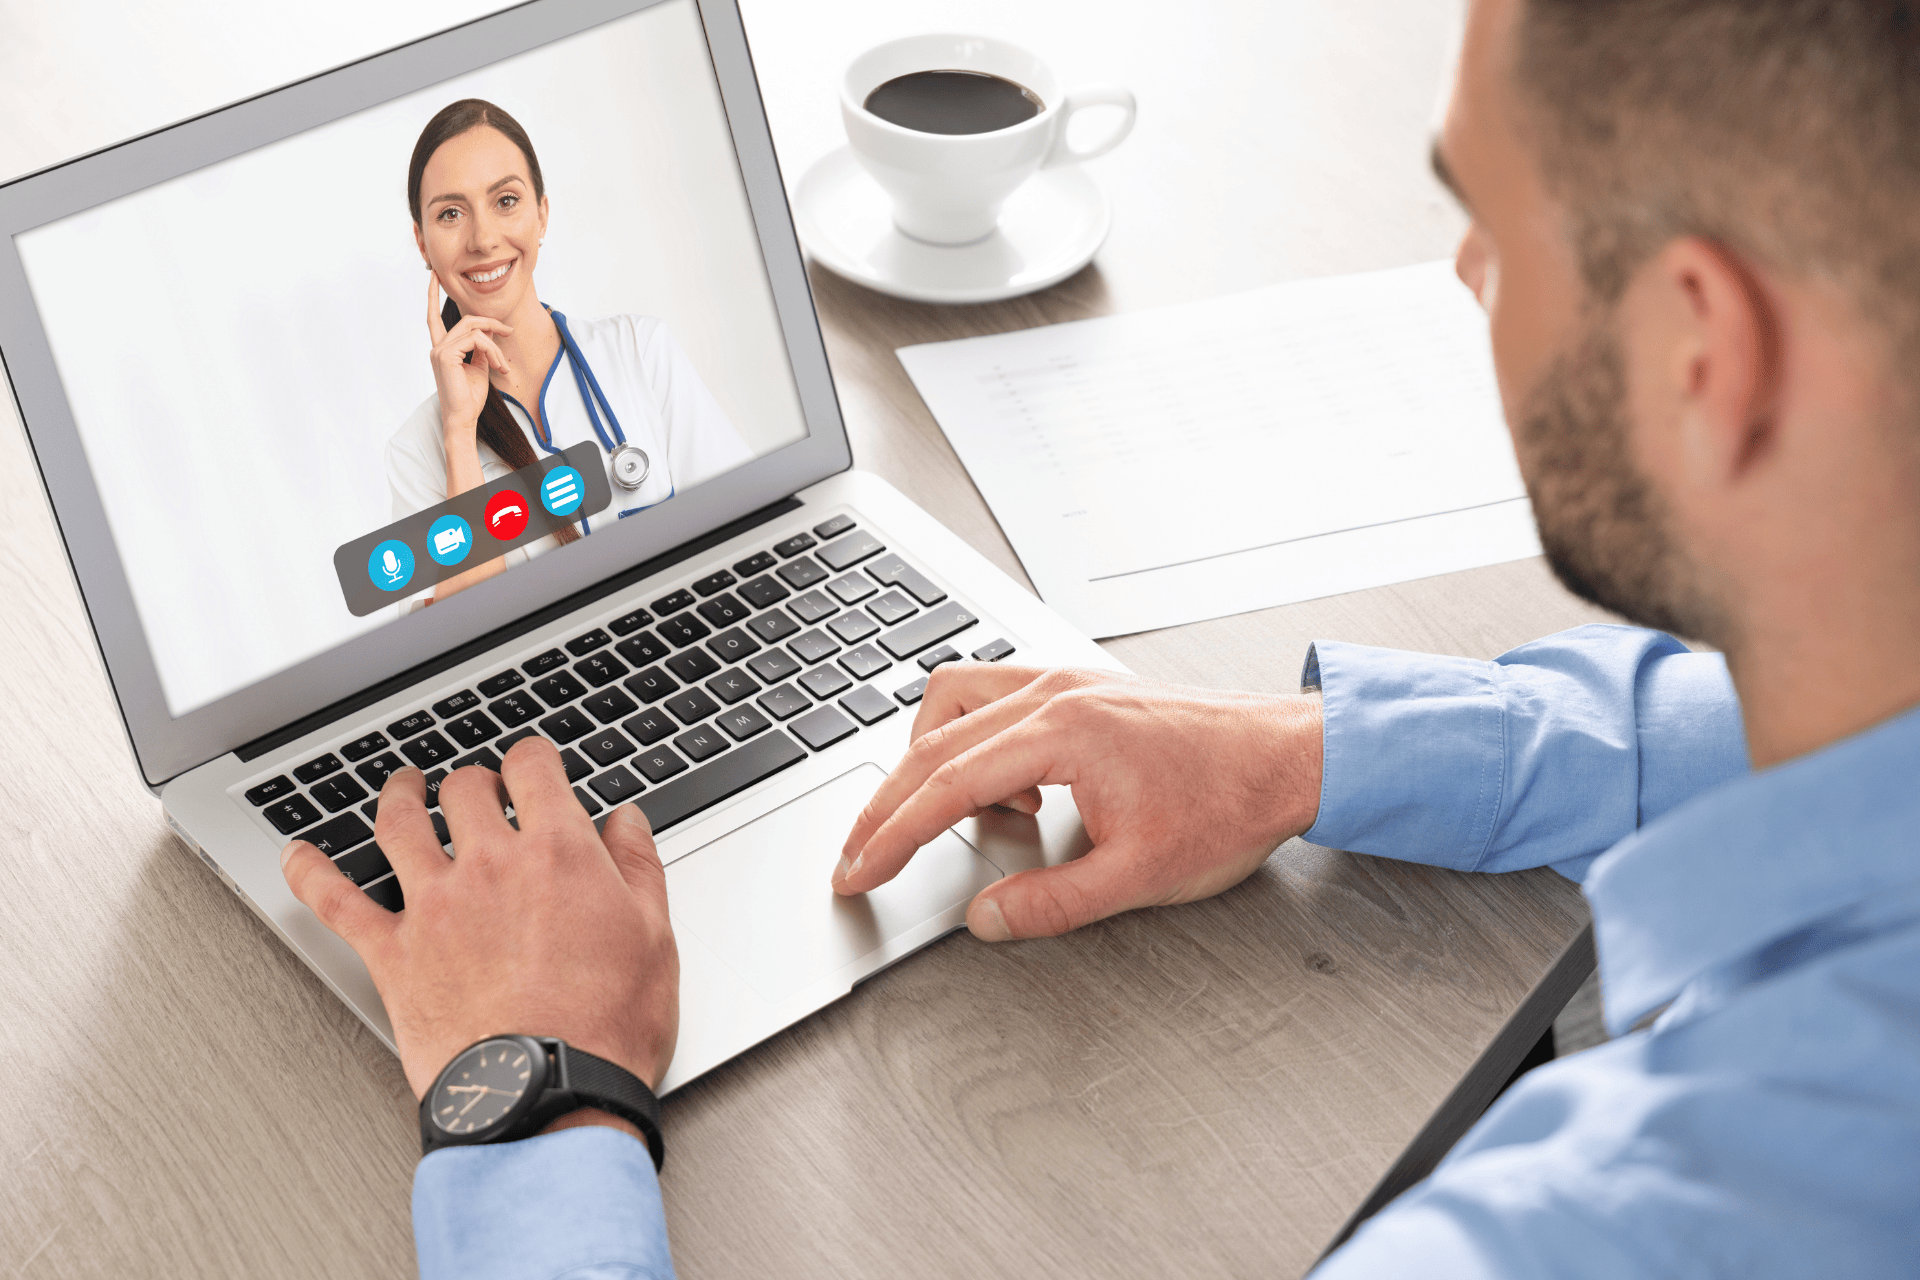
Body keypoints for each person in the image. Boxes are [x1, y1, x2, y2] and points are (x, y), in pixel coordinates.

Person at [281, 0, 1920, 1275]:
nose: (1467, 278)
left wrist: (536, 1095)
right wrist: (1309, 752)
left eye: (1490, 223)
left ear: (1704, 346)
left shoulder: (1614, 1231)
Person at [388, 98, 753, 606]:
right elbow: (461, 644)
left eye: (506, 201)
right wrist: (459, 433)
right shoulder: (416, 452)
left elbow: (748, 533)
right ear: (423, 244)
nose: (483, 239)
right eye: (451, 214)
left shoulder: (639, 351)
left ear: (542, 213)